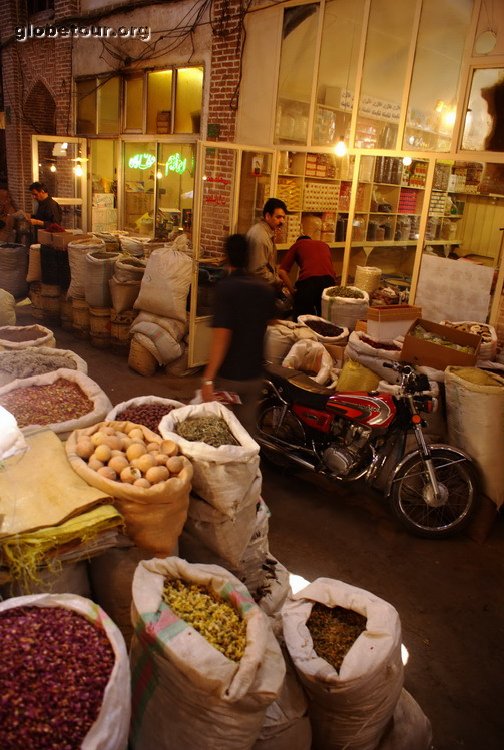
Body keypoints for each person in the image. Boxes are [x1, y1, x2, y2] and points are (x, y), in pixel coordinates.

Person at [201, 233, 277, 437]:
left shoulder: (226, 289)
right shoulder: (264, 289)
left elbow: (221, 337)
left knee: (222, 432)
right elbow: (270, 323)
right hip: (254, 375)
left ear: (227, 256)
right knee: (247, 433)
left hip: (230, 378)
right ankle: (250, 467)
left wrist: (208, 378)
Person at [278, 234, 336, 320]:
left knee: (302, 318)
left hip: (309, 282)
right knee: (324, 318)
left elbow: (282, 271)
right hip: (329, 281)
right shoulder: (324, 245)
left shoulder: (297, 245)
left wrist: (293, 292)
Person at [246, 197, 287, 292]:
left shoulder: (265, 232)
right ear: (268, 216)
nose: (282, 221)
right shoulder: (261, 236)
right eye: (278, 217)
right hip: (256, 290)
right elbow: (258, 270)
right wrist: (277, 281)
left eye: (283, 217)